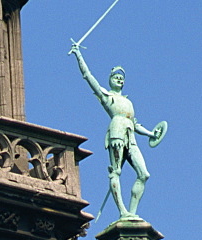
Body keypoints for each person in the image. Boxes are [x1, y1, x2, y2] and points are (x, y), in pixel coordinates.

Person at [69, 43, 165, 220]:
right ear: (110, 79)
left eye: (122, 78)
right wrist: (79, 56)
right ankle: (122, 211)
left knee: (144, 174)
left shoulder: (128, 102)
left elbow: (134, 124)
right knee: (116, 172)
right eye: (116, 77)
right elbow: (89, 77)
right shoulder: (107, 96)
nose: (119, 79)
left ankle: (132, 212)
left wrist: (151, 134)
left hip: (131, 136)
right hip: (116, 133)